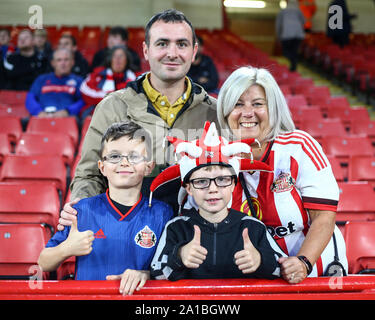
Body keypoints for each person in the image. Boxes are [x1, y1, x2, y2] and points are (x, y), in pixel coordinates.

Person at [57, 8, 216, 224]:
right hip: (126, 232)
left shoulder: (215, 112)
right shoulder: (112, 108)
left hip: (198, 239)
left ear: (194, 51)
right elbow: (90, 176)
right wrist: (83, 215)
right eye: (162, 44)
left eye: (182, 44)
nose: (172, 53)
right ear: (145, 50)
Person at [216, 66, 348, 283]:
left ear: (273, 108)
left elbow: (324, 216)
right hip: (254, 277)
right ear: (225, 110)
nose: (248, 112)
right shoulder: (215, 157)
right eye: (238, 104)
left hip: (315, 269)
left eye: (258, 104)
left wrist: (304, 261)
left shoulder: (300, 147)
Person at [38, 121, 173, 295]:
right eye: (115, 156)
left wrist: (146, 275)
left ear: (149, 167)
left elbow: (171, 268)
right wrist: (67, 249)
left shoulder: (163, 213)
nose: (124, 163)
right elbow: (43, 262)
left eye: (134, 156)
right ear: (102, 167)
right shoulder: (81, 210)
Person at [150, 121, 285, 280]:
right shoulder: (177, 227)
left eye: (222, 179)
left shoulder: (253, 226)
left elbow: (283, 269)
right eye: (201, 182)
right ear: (188, 188)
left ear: (233, 184)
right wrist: (179, 255)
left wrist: (260, 260)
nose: (212, 189)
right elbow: (156, 273)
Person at [79, 45, 136, 118]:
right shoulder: (98, 74)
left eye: (121, 56)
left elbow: (134, 98)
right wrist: (110, 99)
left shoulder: (134, 79)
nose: (118, 59)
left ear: (127, 60)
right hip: (97, 113)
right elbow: (85, 90)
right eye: (115, 56)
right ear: (110, 59)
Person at [25, 48, 84, 117]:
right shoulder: (41, 79)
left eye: (66, 60)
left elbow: (83, 101)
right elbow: (30, 98)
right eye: (59, 60)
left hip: (68, 119)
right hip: (41, 118)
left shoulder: (79, 81)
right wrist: (39, 112)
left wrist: (68, 111)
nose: (63, 63)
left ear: (72, 62)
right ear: (53, 63)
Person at [275, 0, 305, 72]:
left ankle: (292, 65)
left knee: (286, 52)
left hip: (287, 35)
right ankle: (293, 66)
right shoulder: (298, 11)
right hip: (298, 35)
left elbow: (278, 25)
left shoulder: (283, 11)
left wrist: (278, 36)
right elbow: (303, 21)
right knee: (294, 51)